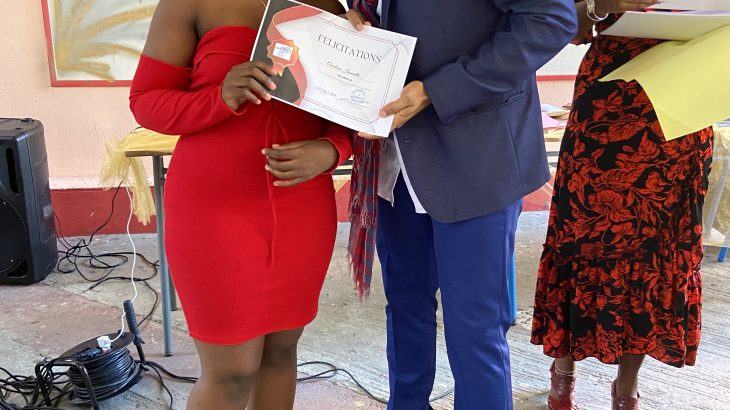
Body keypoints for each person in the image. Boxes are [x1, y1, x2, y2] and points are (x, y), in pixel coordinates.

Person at [344, 1, 577, 409]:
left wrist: (438, 90)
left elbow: (551, 19)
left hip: (477, 155)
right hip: (395, 161)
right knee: (405, 309)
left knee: (474, 331)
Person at [128, 0, 352, 409]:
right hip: (214, 207)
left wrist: (332, 149)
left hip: (302, 206)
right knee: (231, 371)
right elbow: (146, 101)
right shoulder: (190, 3)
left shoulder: (327, 7)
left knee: (280, 353)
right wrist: (219, 97)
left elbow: (354, 110)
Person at [530, 0, 714, 409]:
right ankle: (564, 368)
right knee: (582, 238)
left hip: (686, 109)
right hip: (608, 107)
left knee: (655, 253)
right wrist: (602, 4)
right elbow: (564, 23)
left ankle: (627, 385)